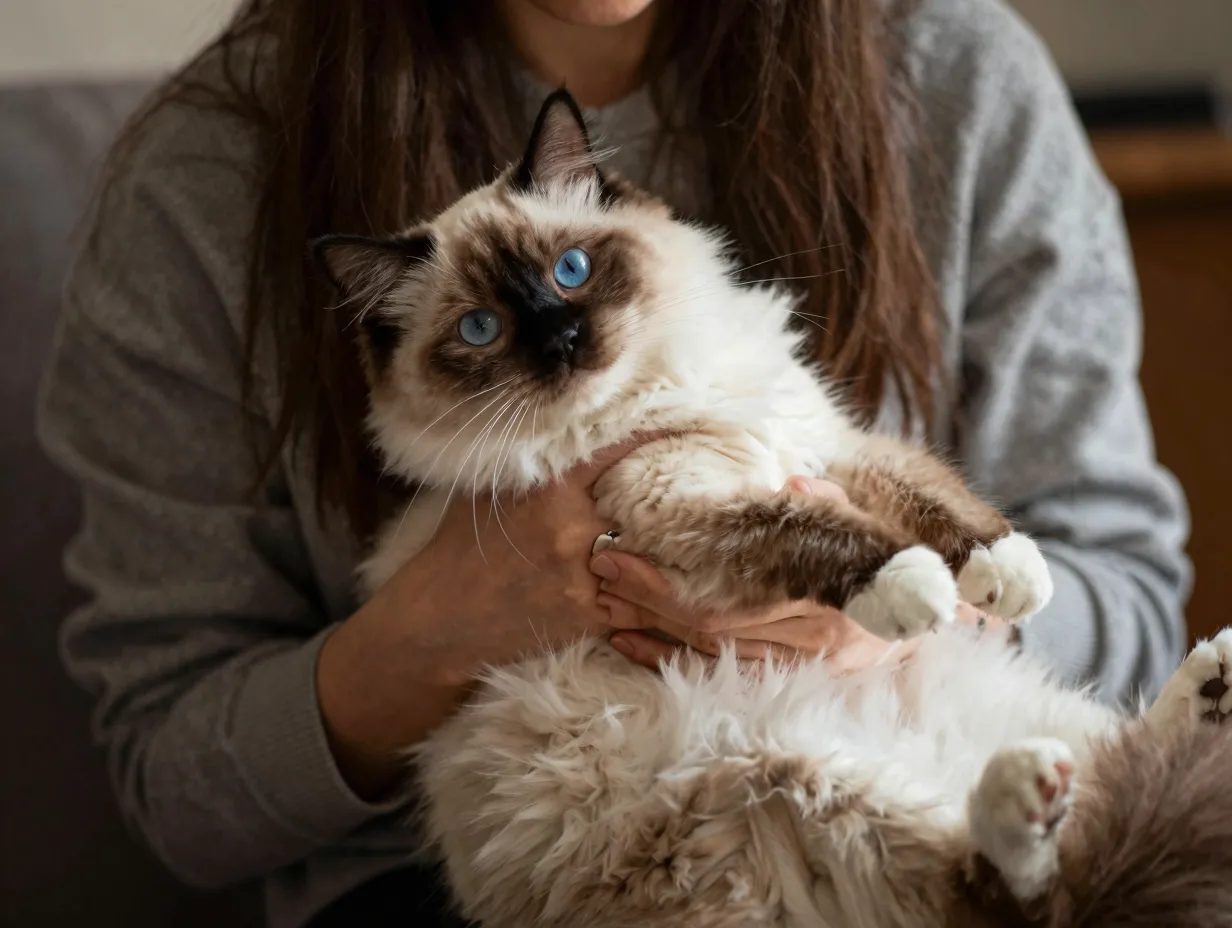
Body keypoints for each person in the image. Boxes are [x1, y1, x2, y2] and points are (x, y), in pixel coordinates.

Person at [38, 0, 1190, 925]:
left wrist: (907, 618)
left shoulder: (957, 75)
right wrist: (425, 637)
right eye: (484, 329)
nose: (553, 336)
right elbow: (174, 787)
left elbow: (1131, 595)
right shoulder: (210, 167)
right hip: (552, 863)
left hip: (944, 767)